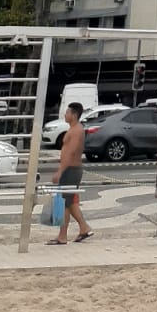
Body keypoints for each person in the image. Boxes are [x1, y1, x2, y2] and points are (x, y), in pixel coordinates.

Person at [49, 103, 92, 245]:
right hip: (70, 169)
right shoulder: (74, 129)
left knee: (64, 203)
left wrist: (60, 171)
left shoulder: (76, 131)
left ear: (73, 115)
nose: (65, 115)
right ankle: (84, 228)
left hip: (70, 170)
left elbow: (71, 152)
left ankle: (62, 236)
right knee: (70, 202)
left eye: (67, 112)